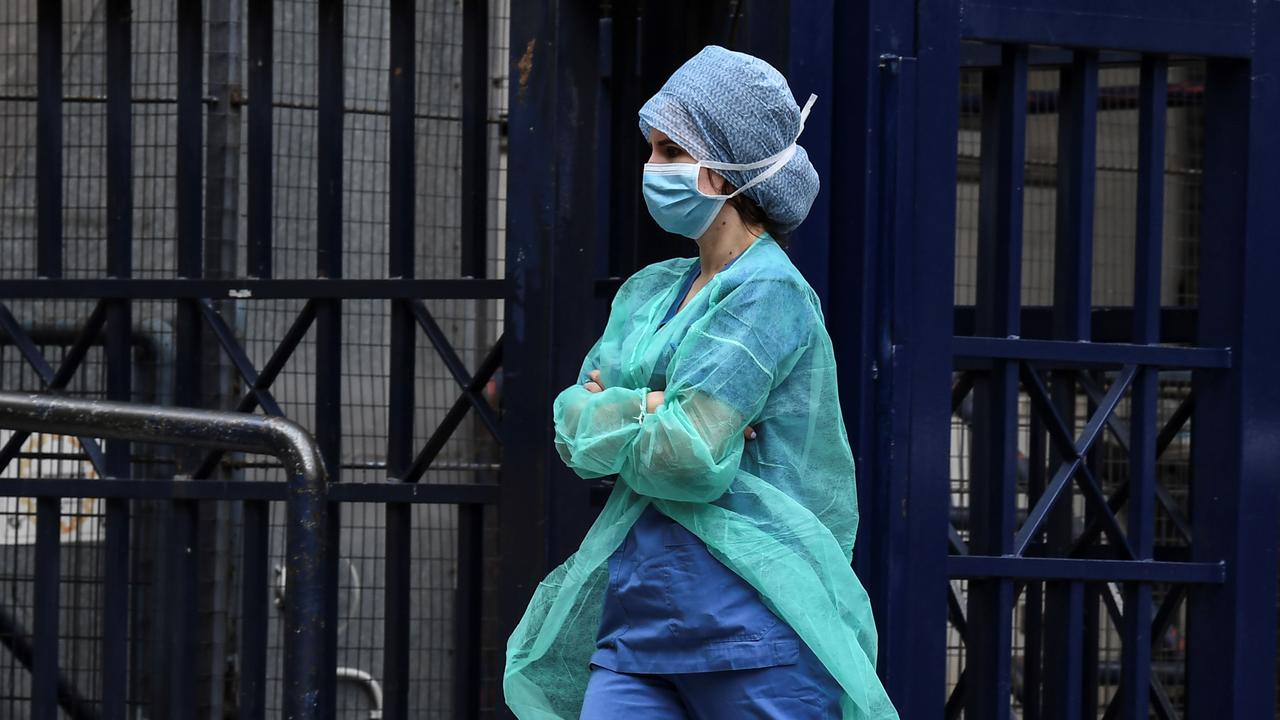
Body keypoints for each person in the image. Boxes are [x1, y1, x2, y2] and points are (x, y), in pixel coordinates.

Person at [504, 45, 899, 720]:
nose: (651, 168)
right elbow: (572, 428)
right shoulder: (654, 292)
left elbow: (688, 461)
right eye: (652, 149)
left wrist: (626, 410)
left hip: (752, 629)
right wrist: (661, 407)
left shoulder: (770, 293)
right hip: (639, 624)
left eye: (669, 151)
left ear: (722, 171)